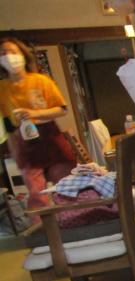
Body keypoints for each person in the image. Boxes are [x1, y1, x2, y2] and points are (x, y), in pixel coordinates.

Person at [0, 38, 76, 217]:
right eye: (3, 53)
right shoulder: (2, 88)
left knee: (66, 186)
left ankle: (75, 220)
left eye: (13, 52)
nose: (8, 57)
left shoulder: (41, 81)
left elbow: (61, 109)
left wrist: (34, 114)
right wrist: (14, 150)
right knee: (36, 194)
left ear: (23, 55)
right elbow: (7, 125)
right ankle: (44, 230)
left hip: (50, 138)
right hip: (24, 143)